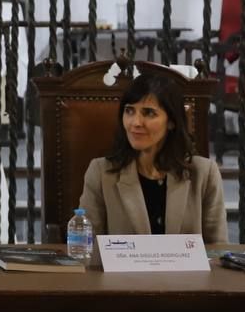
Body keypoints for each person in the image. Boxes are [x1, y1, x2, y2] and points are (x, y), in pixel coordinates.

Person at [78, 72, 228, 243]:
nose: (135, 122)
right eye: (129, 111)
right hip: (122, 271)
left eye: (148, 113)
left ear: (171, 121)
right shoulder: (101, 172)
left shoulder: (204, 173)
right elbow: (86, 248)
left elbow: (217, 249)